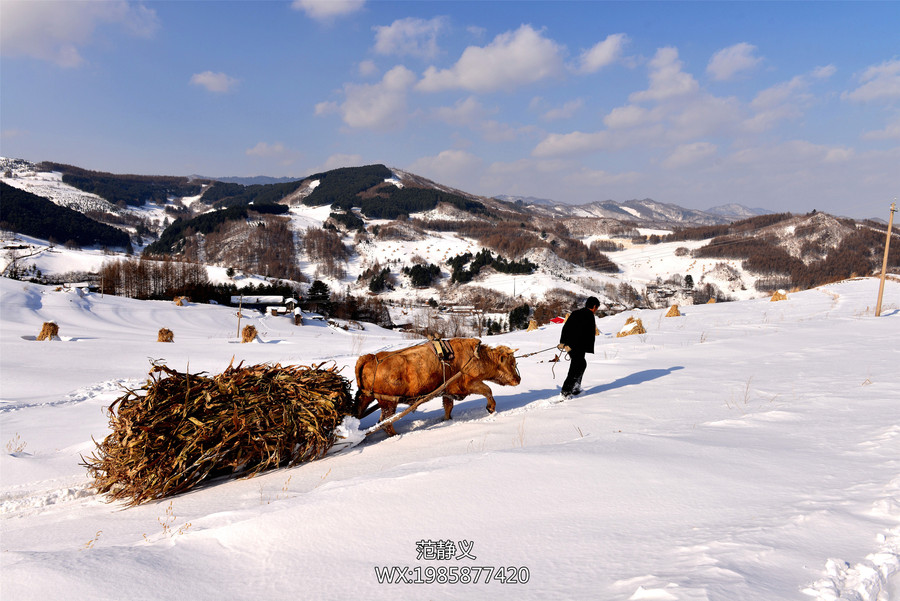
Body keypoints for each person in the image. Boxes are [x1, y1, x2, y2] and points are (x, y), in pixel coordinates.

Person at [557, 296, 601, 400]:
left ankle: (575, 388)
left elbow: (566, 327)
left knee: (581, 364)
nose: (596, 310)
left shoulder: (576, 313)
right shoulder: (589, 315)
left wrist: (563, 342)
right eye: (597, 308)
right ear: (594, 306)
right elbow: (589, 334)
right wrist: (586, 347)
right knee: (577, 366)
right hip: (578, 346)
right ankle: (566, 392)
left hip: (570, 345)